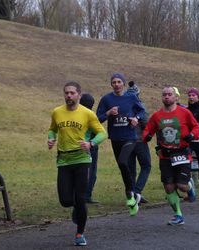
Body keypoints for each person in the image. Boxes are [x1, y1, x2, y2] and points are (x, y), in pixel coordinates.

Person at [48, 81, 107, 246]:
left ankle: (80, 233)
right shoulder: (57, 112)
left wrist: (91, 144)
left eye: (72, 93)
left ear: (79, 95)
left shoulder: (87, 114)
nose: (69, 96)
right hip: (64, 160)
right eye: (66, 93)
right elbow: (52, 128)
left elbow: (102, 133)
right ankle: (78, 206)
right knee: (66, 200)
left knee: (80, 199)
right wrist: (51, 138)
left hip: (82, 159)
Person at [143, 86, 199, 225]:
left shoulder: (184, 112)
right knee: (169, 187)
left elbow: (196, 127)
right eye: (164, 95)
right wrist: (147, 136)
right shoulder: (157, 116)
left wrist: (192, 135)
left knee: (181, 185)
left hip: (182, 153)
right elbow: (147, 130)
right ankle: (178, 215)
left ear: (176, 97)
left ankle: (189, 186)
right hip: (165, 155)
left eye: (169, 94)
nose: (167, 97)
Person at [96, 73, 145, 216]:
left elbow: (141, 111)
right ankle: (131, 197)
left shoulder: (131, 97)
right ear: (111, 85)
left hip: (130, 137)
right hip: (115, 138)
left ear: (123, 83)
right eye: (114, 82)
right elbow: (97, 118)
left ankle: (130, 192)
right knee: (122, 166)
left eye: (119, 82)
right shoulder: (106, 99)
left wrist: (136, 118)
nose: (116, 84)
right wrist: (109, 113)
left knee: (124, 162)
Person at [126, 81, 151, 204]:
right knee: (146, 166)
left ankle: (131, 194)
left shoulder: (123, 106)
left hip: (126, 142)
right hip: (140, 141)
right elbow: (146, 123)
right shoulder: (140, 106)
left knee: (131, 169)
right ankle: (137, 192)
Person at [80, 93, 99, 204]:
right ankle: (87, 195)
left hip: (78, 144)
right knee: (91, 172)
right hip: (91, 145)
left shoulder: (76, 113)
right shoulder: (91, 115)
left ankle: (78, 195)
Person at [187, 87, 199, 202]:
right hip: (188, 141)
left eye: (193, 95)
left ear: (198, 97)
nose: (191, 97)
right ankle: (189, 190)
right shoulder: (186, 110)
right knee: (184, 164)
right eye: (189, 95)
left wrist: (198, 124)